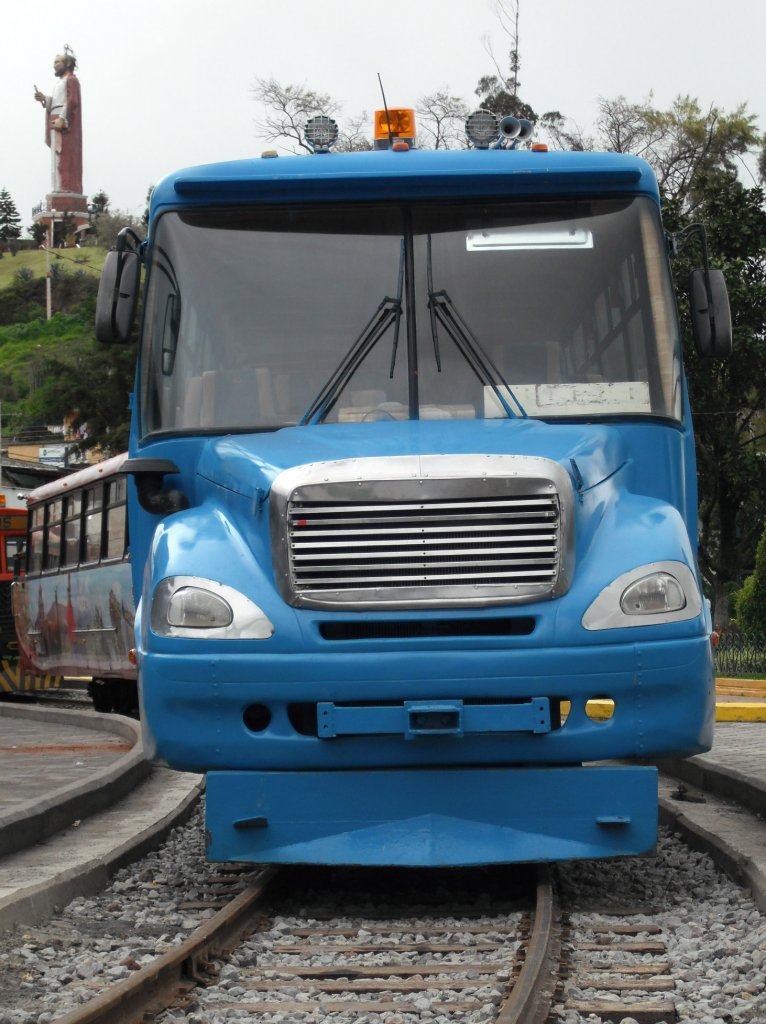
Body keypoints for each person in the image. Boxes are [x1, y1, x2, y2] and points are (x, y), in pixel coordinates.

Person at [34, 47, 82, 195]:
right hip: (55, 121)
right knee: (56, 157)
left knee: (64, 156)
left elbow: (71, 101)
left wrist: (62, 118)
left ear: (67, 64)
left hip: (63, 123)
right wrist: (45, 99)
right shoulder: (59, 83)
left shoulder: (72, 80)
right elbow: (56, 102)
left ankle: (66, 187)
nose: (54, 65)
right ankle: (58, 187)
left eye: (57, 62)